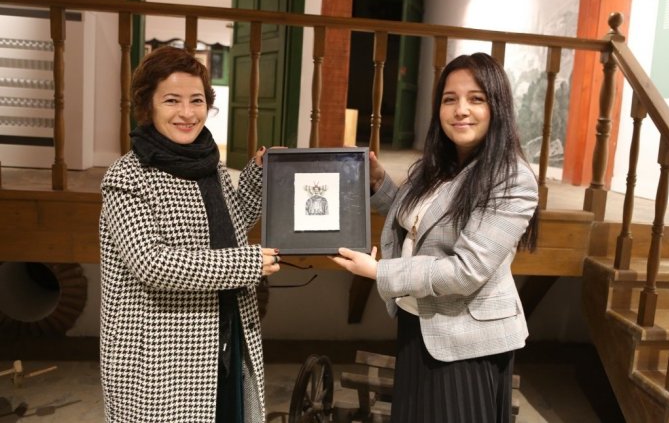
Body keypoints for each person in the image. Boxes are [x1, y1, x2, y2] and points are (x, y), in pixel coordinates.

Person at [331, 52, 539, 423]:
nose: (461, 110)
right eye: (449, 99)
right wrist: (378, 183)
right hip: (419, 324)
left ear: (498, 107)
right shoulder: (439, 165)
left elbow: (466, 271)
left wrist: (380, 272)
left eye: (476, 99)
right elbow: (423, 224)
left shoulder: (511, 178)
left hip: (466, 342)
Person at [99, 45, 281, 423]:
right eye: (172, 100)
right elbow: (153, 264)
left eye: (197, 100)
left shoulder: (210, 165)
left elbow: (230, 227)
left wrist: (259, 174)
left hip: (223, 335)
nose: (187, 112)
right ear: (147, 105)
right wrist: (245, 264)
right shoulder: (127, 177)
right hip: (160, 359)